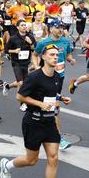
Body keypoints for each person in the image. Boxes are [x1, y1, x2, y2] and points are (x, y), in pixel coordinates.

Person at [0, 44, 71, 178]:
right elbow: (20, 96)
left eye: (56, 55)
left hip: (49, 122)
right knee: (31, 160)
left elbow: (51, 93)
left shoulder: (57, 77)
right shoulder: (34, 77)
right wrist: (40, 104)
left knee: (53, 157)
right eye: (51, 55)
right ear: (43, 57)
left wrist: (61, 98)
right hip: (33, 122)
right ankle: (7, 165)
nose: (54, 57)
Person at [33, 19, 76, 150]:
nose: (60, 30)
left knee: (53, 106)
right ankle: (57, 137)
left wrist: (71, 60)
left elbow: (67, 55)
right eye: (58, 27)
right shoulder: (43, 42)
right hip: (44, 77)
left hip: (59, 77)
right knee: (53, 107)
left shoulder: (66, 41)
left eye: (62, 27)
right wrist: (36, 67)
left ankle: (48, 131)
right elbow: (35, 55)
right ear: (51, 29)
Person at [3, 19, 36, 99]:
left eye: (25, 25)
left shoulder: (30, 37)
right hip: (16, 63)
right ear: (17, 27)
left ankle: (8, 86)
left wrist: (30, 43)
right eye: (22, 25)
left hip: (26, 63)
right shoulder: (13, 38)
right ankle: (21, 102)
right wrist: (14, 51)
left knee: (23, 82)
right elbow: (6, 50)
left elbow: (34, 49)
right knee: (20, 83)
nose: (24, 27)